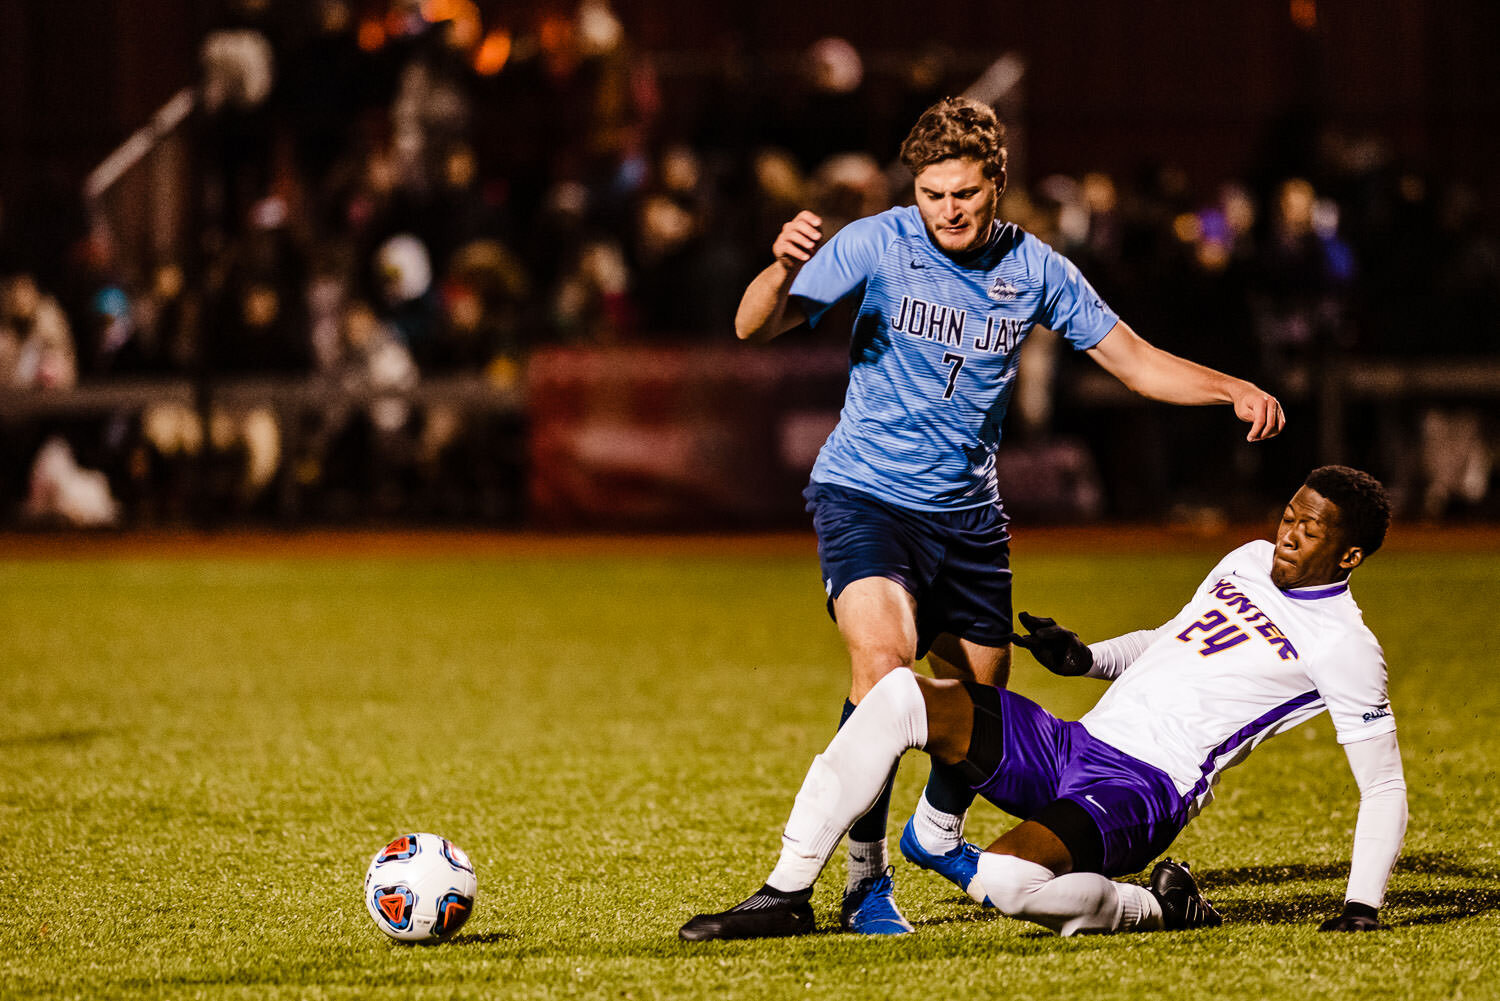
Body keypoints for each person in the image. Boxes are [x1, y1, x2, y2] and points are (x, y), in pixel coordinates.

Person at [732, 96, 1286, 933]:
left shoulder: (1038, 269)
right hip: (867, 494)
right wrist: (778, 268)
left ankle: (938, 832)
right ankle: (862, 877)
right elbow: (751, 326)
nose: (947, 211)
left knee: (979, 706)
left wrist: (1230, 385)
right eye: (931, 194)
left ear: (997, 182)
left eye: (964, 194)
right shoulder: (876, 241)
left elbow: (1133, 362)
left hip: (970, 519)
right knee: (883, 671)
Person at [681, 465, 1403, 940]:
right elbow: (1175, 639)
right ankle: (786, 891)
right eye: (1290, 513)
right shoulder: (1246, 557)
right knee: (900, 692)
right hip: (1074, 742)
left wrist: (1362, 905)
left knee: (1005, 879)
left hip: (1142, 787)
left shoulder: (1344, 644)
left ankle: (1156, 905)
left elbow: (1383, 783)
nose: (1289, 531)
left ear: (1349, 556)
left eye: (1314, 528)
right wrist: (1087, 658)